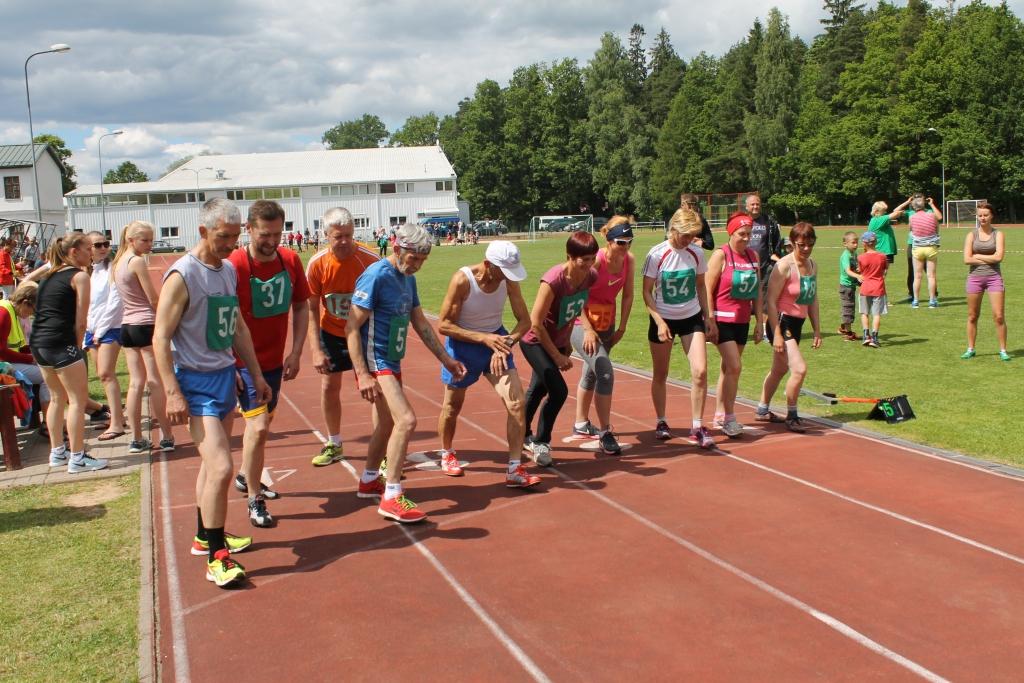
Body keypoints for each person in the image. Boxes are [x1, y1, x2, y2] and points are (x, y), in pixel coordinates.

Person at [153, 198, 270, 588]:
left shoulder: (227, 270)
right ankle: (217, 557)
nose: (231, 244)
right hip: (195, 383)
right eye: (223, 237)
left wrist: (254, 374)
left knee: (210, 468)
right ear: (203, 231)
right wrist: (173, 393)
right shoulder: (182, 275)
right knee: (221, 467)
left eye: (235, 237)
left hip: (224, 378)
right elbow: (160, 337)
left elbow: (236, 327)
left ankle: (205, 536)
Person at [347, 223, 466, 523]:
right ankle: (392, 495)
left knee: (386, 423)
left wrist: (446, 359)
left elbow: (420, 323)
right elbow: (351, 326)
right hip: (377, 361)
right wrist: (362, 373)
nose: (417, 265)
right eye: (414, 258)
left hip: (392, 359)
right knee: (407, 420)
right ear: (397, 248)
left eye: (423, 260)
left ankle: (369, 480)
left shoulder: (407, 279)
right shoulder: (376, 276)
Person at [228, 200, 311, 527]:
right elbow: (223, 317)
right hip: (243, 362)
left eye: (278, 234)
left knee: (261, 429)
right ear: (248, 229)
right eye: (265, 234)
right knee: (259, 427)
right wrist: (229, 363)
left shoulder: (290, 260)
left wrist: (296, 351)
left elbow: (302, 305)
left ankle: (245, 475)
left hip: (274, 362)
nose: (272, 241)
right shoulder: (234, 265)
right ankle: (254, 499)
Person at [434, 241, 541, 488]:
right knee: (452, 406)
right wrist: (484, 338)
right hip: (463, 346)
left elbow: (524, 321)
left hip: (497, 342)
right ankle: (446, 453)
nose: (508, 277)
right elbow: (444, 325)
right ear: (487, 264)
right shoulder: (463, 280)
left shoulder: (508, 280)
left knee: (517, 403)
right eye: (504, 271)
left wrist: (506, 343)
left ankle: (514, 468)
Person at [305, 208, 380, 466]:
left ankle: (381, 449)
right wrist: (315, 349)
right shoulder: (318, 264)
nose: (345, 241)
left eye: (349, 235)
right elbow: (311, 308)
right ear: (326, 235)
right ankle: (334, 443)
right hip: (332, 332)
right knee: (329, 386)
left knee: (376, 390)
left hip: (365, 332)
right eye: (338, 237)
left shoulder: (370, 260)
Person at [30, 233, 108, 473]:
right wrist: (76, 346)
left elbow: (26, 282)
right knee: (77, 400)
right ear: (74, 252)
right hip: (61, 343)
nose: (92, 253)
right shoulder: (80, 276)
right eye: (88, 248)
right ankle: (78, 457)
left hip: (39, 342)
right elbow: (81, 320)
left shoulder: (49, 275)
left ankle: (57, 452)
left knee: (57, 398)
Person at [521, 231, 599, 466]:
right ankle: (541, 441)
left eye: (592, 258)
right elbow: (535, 323)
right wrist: (556, 356)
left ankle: (520, 433)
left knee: (538, 389)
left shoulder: (590, 276)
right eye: (583, 259)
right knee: (559, 391)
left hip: (558, 342)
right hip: (535, 341)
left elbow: (578, 304)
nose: (589, 264)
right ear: (569, 256)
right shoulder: (553, 280)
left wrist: (575, 335)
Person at [642, 209, 717, 448]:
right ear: (673, 229)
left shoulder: (696, 253)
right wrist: (659, 321)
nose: (688, 240)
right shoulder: (656, 254)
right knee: (661, 373)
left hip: (691, 317)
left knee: (700, 371)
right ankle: (661, 421)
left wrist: (708, 316)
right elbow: (646, 292)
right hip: (663, 319)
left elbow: (701, 286)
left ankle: (697, 425)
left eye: (693, 235)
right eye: (685, 235)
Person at [569, 218, 635, 454]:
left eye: (629, 241)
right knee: (605, 371)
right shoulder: (596, 261)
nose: (625, 246)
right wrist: (587, 329)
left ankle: (580, 424)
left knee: (592, 372)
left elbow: (628, 295)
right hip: (581, 322)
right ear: (609, 240)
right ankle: (606, 432)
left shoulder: (629, 260)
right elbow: (575, 294)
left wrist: (622, 328)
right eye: (621, 242)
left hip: (607, 322)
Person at [112, 221, 173, 454]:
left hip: (127, 326)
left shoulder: (118, 262)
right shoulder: (136, 262)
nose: (149, 245)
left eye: (151, 240)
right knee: (155, 381)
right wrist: (168, 318)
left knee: (136, 382)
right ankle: (166, 436)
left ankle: (137, 438)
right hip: (145, 323)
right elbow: (152, 298)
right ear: (131, 240)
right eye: (144, 240)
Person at [756, 222, 822, 433]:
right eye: (801, 245)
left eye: (810, 244)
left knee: (779, 369)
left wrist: (817, 330)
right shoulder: (784, 266)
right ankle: (792, 415)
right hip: (781, 322)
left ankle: (762, 409)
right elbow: (771, 301)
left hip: (797, 324)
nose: (806, 249)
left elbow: (812, 299)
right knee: (799, 369)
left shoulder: (812, 265)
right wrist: (775, 333)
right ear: (792, 243)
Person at [707, 212, 762, 438]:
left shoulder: (753, 256)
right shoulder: (721, 255)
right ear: (731, 233)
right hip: (722, 319)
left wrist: (759, 321)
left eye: (749, 234)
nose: (746, 238)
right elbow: (706, 289)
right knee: (735, 366)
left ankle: (719, 414)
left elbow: (757, 291)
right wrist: (710, 320)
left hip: (742, 320)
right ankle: (730, 418)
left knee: (728, 369)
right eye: (742, 234)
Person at [85, 231, 126, 441]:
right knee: (103, 377)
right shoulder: (86, 271)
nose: (103, 248)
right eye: (97, 245)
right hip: (91, 329)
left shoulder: (113, 269)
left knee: (106, 373)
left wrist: (100, 331)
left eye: (105, 243)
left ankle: (117, 423)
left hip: (110, 327)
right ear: (88, 249)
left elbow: (115, 303)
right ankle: (116, 417)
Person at [962, 202, 1009, 361]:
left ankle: (1003, 350)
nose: (982, 218)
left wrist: (978, 256)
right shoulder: (971, 235)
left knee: (999, 316)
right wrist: (989, 258)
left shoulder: (998, 234)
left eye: (986, 215)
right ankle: (970, 348)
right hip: (975, 278)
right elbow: (967, 259)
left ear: (991, 216)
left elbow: (999, 257)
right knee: (972, 316)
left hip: (994, 278)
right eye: (980, 215)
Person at [0, 283, 51, 421]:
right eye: (33, 310)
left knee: (49, 369)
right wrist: (30, 359)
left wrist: (39, 353)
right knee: (48, 377)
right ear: (25, 302)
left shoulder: (11, 310)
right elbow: (2, 352)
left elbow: (19, 346)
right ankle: (49, 422)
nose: (31, 314)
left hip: (7, 362)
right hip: (3, 365)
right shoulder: (4, 313)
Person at [744, 194, 782, 308]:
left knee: (764, 303)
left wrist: (773, 260)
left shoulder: (769, 221)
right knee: (744, 302)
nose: (755, 206)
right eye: (752, 204)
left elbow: (777, 242)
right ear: (746, 206)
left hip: (764, 268)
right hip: (744, 268)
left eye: (758, 204)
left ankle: (763, 320)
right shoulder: (741, 221)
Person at [907, 195, 942, 308]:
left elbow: (911, 230)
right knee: (931, 276)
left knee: (917, 276)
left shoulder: (912, 217)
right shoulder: (931, 215)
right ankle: (932, 300)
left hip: (917, 248)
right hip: (931, 247)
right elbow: (938, 222)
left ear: (913, 206)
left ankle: (915, 301)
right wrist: (932, 204)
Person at [857, 231, 888, 348]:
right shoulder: (882, 256)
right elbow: (885, 270)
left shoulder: (861, 257)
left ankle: (866, 336)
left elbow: (860, 271)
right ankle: (874, 338)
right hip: (878, 288)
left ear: (864, 243)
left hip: (865, 288)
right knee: (876, 314)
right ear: (876, 242)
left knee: (864, 313)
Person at [837, 231, 860, 341]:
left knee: (850, 308)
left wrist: (859, 270)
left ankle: (843, 327)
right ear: (845, 244)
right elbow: (848, 271)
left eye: (857, 242)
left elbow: (855, 267)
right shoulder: (845, 256)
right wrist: (858, 276)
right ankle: (848, 333)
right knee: (848, 308)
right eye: (853, 243)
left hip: (852, 285)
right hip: (846, 287)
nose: (856, 245)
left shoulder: (854, 254)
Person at [867, 201, 899, 265]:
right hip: (883, 250)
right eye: (883, 210)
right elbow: (896, 213)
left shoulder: (879, 219)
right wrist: (900, 211)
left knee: (883, 270)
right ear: (876, 211)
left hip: (885, 250)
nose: (885, 212)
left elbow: (896, 213)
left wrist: (907, 202)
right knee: (882, 270)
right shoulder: (878, 220)